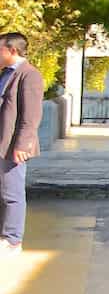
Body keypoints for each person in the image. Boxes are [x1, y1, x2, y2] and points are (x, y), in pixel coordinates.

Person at [0, 33, 43, 255]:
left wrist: (23, 145)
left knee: (12, 193)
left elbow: (31, 115)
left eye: (0, 50)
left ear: (12, 51)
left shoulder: (29, 75)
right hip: (1, 142)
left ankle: (13, 240)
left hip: (12, 146)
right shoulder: (6, 74)